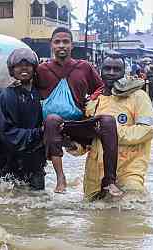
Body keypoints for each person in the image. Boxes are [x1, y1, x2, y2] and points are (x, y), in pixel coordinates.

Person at [36, 27, 121, 195]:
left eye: (65, 42)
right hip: (54, 127)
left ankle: (109, 180)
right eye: (57, 42)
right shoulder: (41, 69)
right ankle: (61, 178)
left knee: (109, 121)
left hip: (79, 123)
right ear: (51, 45)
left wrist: (92, 100)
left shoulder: (84, 67)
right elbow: (28, 88)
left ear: (72, 45)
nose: (62, 45)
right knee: (52, 119)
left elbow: (102, 88)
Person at [68, 52, 153, 200]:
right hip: (94, 175)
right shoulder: (93, 102)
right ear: (100, 71)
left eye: (117, 69)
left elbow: (147, 131)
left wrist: (109, 132)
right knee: (94, 218)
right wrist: (74, 146)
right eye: (107, 68)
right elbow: (88, 142)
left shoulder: (138, 96)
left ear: (124, 72)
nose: (111, 73)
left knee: (133, 212)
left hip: (129, 171)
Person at [0, 48, 46, 190]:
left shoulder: (39, 93)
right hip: (9, 163)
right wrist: (39, 132)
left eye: (28, 65)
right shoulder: (7, 96)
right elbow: (7, 133)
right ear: (12, 70)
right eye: (18, 66)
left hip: (35, 164)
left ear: (34, 69)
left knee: (38, 206)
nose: (24, 68)